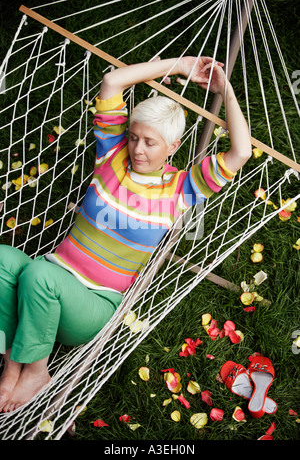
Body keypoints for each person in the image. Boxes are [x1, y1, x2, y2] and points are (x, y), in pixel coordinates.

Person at [0, 56, 252, 412]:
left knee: (40, 274)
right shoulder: (111, 156)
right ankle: (12, 362)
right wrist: (182, 66)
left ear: (173, 147)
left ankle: (37, 371)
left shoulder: (181, 189)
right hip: (49, 276)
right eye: (134, 137)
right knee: (3, 261)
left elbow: (241, 151)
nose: (137, 149)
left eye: (150, 142)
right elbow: (113, 82)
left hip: (90, 305)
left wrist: (224, 88)